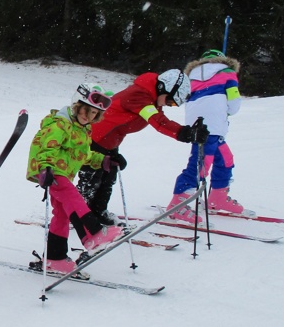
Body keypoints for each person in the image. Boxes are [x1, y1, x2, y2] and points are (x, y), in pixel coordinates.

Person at [74, 69, 209, 226]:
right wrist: (184, 133)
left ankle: (98, 211)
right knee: (92, 179)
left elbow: (159, 118)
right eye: (170, 101)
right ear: (162, 88)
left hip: (110, 142)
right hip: (95, 139)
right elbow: (158, 122)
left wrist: (189, 132)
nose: (169, 105)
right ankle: (79, 214)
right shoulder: (140, 96)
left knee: (108, 178)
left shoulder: (151, 98)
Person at [26, 84, 126, 274]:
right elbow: (48, 146)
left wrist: (105, 160)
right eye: (86, 111)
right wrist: (46, 167)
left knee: (62, 214)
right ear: (77, 106)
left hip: (60, 172)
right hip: (51, 170)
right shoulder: (60, 124)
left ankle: (55, 258)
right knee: (74, 198)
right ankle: (94, 233)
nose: (87, 117)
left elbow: (83, 156)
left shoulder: (82, 131)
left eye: (94, 115)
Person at [167, 49, 247, 223]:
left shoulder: (191, 75)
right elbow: (234, 103)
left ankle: (218, 197)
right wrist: (224, 111)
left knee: (224, 158)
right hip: (214, 123)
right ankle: (178, 203)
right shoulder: (228, 72)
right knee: (200, 164)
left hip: (197, 124)